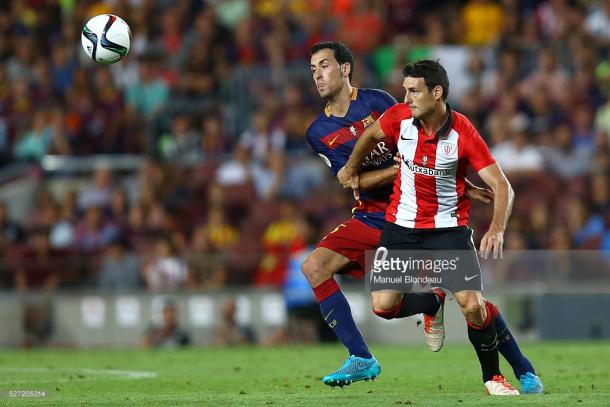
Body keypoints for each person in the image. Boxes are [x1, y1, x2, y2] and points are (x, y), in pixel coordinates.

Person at [338, 59, 543, 395]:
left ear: (437, 93)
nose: (405, 98)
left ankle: (495, 376)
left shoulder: (463, 131)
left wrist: (497, 229)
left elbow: (502, 185)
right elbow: (368, 136)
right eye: (404, 90)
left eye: (413, 91)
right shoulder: (398, 118)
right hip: (401, 225)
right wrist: (351, 166)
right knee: (383, 306)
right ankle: (431, 301)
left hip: (448, 229)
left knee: (473, 306)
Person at [303, 41, 492, 388]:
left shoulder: (378, 102)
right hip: (368, 214)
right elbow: (352, 180)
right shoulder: (317, 132)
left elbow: (426, 149)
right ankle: (362, 355)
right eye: (313, 68)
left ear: (346, 69)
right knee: (314, 267)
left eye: (324, 65)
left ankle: (497, 360)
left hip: (410, 212)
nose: (317, 74)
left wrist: (455, 181)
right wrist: (392, 169)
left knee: (407, 300)